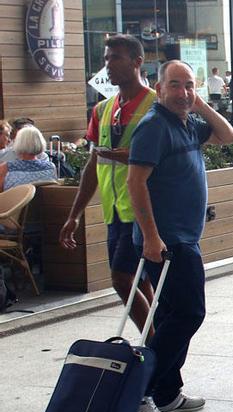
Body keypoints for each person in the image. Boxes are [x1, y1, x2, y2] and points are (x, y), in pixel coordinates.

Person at [127, 60, 233, 412]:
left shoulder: (186, 124)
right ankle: (141, 388)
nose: (183, 92)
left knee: (171, 315)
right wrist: (151, 236)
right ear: (159, 89)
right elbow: (136, 183)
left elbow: (229, 137)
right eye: (175, 85)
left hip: (183, 237)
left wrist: (200, 104)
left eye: (189, 85)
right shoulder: (154, 127)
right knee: (190, 313)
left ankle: (167, 393)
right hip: (168, 241)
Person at [59, 34, 157, 339]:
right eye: (106, 58)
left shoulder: (156, 106)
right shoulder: (102, 110)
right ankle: (161, 345)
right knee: (141, 282)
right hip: (115, 211)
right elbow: (93, 164)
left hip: (146, 210)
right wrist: (74, 215)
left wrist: (116, 155)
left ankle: (153, 343)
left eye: (115, 57)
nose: (108, 65)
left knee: (120, 278)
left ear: (137, 62)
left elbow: (162, 157)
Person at [0, 126, 57, 190]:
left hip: (16, 199)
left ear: (18, 143)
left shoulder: (6, 168)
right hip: (45, 200)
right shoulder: (51, 167)